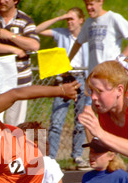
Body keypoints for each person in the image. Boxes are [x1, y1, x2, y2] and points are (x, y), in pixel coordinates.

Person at [36, 7, 92, 169]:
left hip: (83, 77)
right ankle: (52, 158)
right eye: (67, 19)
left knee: (81, 121)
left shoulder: (87, 36)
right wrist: (60, 16)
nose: (69, 22)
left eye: (72, 18)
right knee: (56, 121)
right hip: (64, 79)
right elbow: (37, 30)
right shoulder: (61, 33)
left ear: (81, 20)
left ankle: (77, 156)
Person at [0, 0, 40, 126]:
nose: (2, 1)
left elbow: (34, 45)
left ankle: (14, 146)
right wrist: (14, 49)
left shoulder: (26, 20)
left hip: (19, 81)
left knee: (16, 124)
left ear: (16, 1)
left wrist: (10, 36)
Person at [68, 0, 128, 76]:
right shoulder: (88, 22)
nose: (88, 8)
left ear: (100, 1)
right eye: (86, 5)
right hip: (94, 74)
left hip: (111, 73)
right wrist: (68, 62)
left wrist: (121, 57)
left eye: (91, 4)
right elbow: (78, 43)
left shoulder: (112, 18)